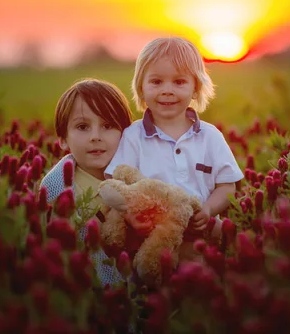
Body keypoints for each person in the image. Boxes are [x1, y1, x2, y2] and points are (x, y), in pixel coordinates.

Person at [104, 37, 244, 260]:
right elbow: (116, 185)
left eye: (179, 82)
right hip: (151, 236)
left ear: (195, 88)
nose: (167, 90)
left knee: (229, 251)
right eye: (156, 82)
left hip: (200, 234)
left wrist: (208, 210)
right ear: (141, 88)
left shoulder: (210, 136)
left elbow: (227, 186)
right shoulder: (133, 136)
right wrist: (131, 217)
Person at [40, 78, 136, 287]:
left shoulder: (140, 182)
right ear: (63, 138)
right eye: (83, 126)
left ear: (126, 134)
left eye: (108, 125)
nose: (95, 136)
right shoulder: (55, 194)